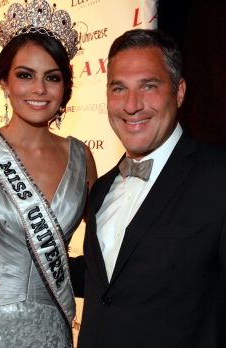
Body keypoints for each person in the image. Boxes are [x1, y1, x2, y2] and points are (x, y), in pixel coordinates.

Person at [0, 1, 97, 347]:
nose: (38, 89)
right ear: (3, 81)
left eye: (52, 77)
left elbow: (103, 248)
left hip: (53, 329)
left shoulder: (81, 156)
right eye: (25, 75)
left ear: (64, 88)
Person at [72, 29, 226, 347]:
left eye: (149, 86)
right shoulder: (101, 188)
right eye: (119, 88)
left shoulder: (218, 176)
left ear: (179, 91)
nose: (131, 105)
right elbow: (108, 280)